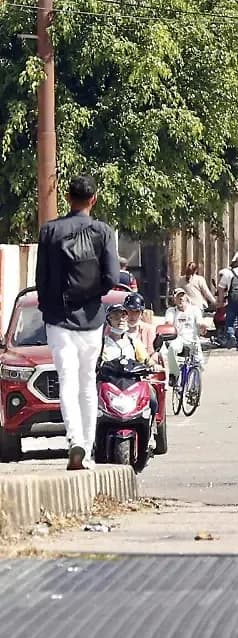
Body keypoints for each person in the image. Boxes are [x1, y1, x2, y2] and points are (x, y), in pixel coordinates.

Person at [36, 175, 120, 471]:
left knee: (67, 382)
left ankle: (75, 442)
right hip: (92, 320)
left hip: (59, 321)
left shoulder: (50, 231)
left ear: (67, 198)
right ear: (93, 199)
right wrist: (92, 297)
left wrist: (51, 308)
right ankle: (88, 445)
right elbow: (111, 277)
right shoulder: (104, 232)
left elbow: (41, 279)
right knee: (87, 383)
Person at [99, 298, 160, 451]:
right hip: (109, 385)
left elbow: (146, 360)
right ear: (109, 320)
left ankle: (150, 431)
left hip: (132, 385)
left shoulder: (134, 342)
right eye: (116, 316)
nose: (120, 320)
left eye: (123, 316)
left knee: (152, 398)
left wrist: (154, 366)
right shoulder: (101, 343)